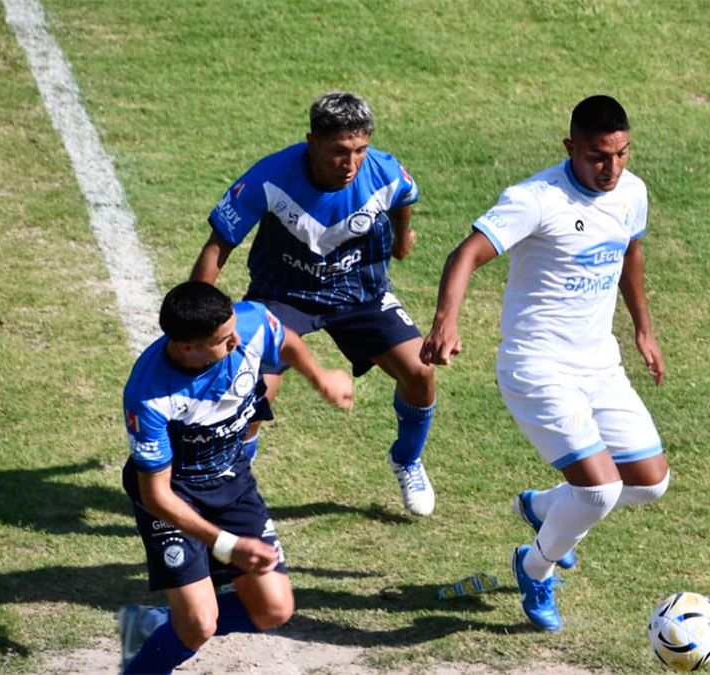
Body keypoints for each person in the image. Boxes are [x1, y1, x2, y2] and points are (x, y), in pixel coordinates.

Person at [420, 95, 670, 632]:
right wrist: (445, 322)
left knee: (649, 482)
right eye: (598, 156)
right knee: (599, 491)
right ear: (570, 148)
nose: (611, 168)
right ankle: (534, 568)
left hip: (600, 365)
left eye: (622, 154)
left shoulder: (632, 191)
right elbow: (465, 254)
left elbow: (630, 251)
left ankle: (544, 509)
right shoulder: (535, 199)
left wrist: (644, 329)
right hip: (538, 367)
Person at [190, 91, 437, 516]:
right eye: (339, 151)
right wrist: (195, 323)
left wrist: (402, 239)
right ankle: (228, 487)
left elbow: (403, 198)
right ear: (312, 142)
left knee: (420, 371)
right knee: (251, 393)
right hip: (284, 295)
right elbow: (218, 246)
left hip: (360, 292)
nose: (350, 163)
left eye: (360, 150)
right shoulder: (270, 177)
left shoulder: (383, 171)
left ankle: (407, 459)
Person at [117, 281, 354, 673]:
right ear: (187, 348)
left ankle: (154, 623)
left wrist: (320, 377)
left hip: (232, 481)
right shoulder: (149, 397)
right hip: (176, 495)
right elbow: (156, 495)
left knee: (274, 608)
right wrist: (226, 545)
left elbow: (285, 340)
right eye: (223, 340)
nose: (237, 341)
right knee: (198, 624)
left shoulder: (247, 323)